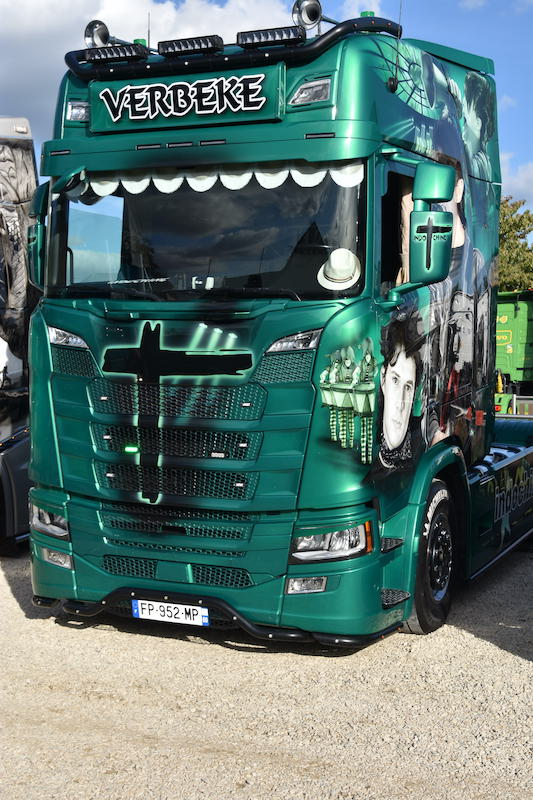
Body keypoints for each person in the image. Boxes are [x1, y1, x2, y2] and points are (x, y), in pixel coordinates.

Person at [377, 306, 424, 470]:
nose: (401, 403)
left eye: (408, 387)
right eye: (395, 380)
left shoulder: (422, 451)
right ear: (383, 379)